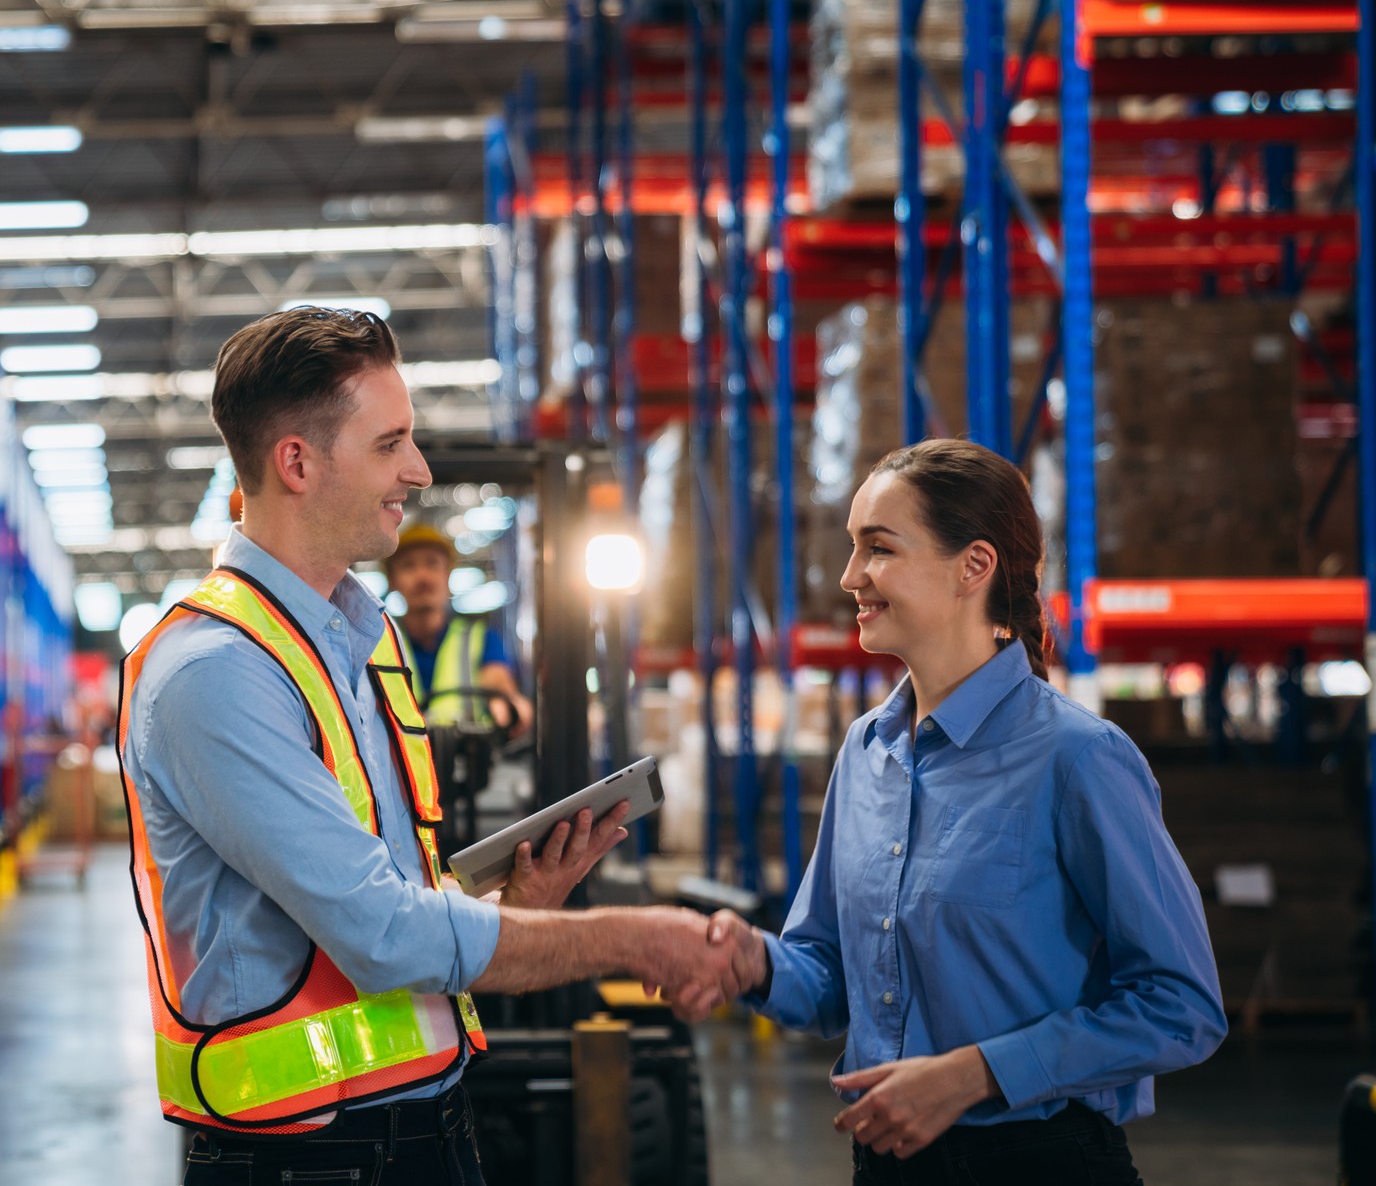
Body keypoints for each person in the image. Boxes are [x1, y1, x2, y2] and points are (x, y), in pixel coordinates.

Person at [117, 307, 749, 1185]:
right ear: (297, 462)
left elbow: (387, 889)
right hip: (301, 1160)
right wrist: (633, 938)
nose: (416, 471)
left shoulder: (361, 641)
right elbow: (378, 932)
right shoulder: (215, 673)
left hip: (426, 1123)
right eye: (390, 444)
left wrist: (519, 904)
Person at [713, 438, 1226, 1184]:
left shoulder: (1079, 758)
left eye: (879, 549)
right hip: (888, 1166)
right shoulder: (867, 753)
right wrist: (750, 962)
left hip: (1040, 1164)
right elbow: (832, 975)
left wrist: (976, 1074)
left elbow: (1181, 1004)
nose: (852, 576)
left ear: (973, 567)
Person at [383, 522, 534, 735]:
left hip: (467, 764)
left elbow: (497, 679)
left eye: (432, 564)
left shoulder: (481, 639)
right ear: (392, 581)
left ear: (448, 575)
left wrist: (507, 702)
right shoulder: (376, 643)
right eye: (408, 566)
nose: (422, 577)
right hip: (398, 767)